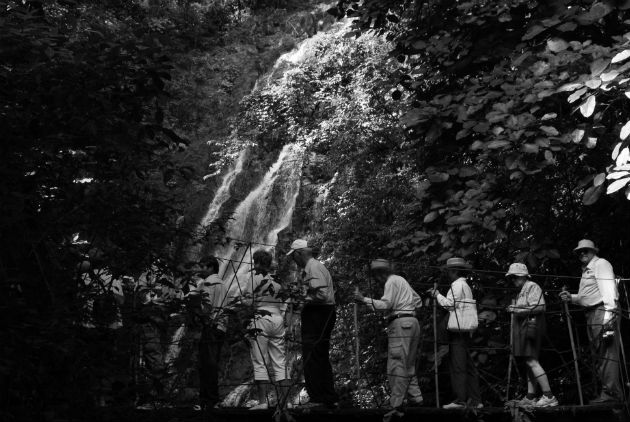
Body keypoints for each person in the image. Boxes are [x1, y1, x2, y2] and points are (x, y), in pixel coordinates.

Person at [354, 259, 424, 412]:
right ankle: (416, 398)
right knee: (408, 363)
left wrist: (363, 299)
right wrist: (408, 308)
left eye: (376, 276)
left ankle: (396, 404)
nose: (377, 280)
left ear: (381, 274)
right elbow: (418, 301)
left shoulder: (391, 282)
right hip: (413, 323)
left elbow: (386, 305)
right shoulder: (401, 280)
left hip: (400, 324)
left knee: (396, 363)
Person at [559, 239, 621, 404]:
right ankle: (609, 394)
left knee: (607, 353)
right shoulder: (587, 270)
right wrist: (571, 298)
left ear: (594, 251)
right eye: (579, 251)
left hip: (603, 311)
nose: (582, 253)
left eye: (586, 250)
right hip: (593, 313)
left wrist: (609, 316)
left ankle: (612, 396)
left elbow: (609, 291)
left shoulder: (601, 264)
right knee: (600, 354)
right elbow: (589, 297)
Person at [287, 239, 338, 408]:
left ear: (299, 253)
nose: (293, 260)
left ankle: (317, 398)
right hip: (324, 313)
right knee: (320, 355)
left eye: (293, 256)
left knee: (312, 355)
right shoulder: (316, 266)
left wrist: (301, 298)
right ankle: (327, 396)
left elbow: (321, 295)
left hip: (318, 313)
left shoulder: (312, 267)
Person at [427, 257, 482, 409]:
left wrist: (437, 294)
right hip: (465, 329)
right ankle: (476, 401)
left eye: (449, 271)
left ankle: (460, 400)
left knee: (458, 365)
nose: (448, 274)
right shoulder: (466, 286)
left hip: (457, 329)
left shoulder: (457, 285)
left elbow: (450, 305)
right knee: (469, 366)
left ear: (455, 271)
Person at [241, 250, 291, 410]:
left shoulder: (255, 278)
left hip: (261, 317)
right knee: (280, 361)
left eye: (255, 262)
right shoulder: (277, 281)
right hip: (277, 319)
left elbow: (249, 302)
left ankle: (263, 402)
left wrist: (241, 301)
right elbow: (286, 303)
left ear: (257, 262)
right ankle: (286, 402)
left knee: (260, 361)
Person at [505, 263, 558, 407]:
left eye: (515, 277)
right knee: (529, 362)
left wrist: (517, 309)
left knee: (531, 361)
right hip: (525, 328)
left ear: (522, 276)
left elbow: (540, 306)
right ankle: (530, 396)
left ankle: (549, 396)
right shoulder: (523, 289)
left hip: (532, 328)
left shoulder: (532, 286)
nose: (513, 280)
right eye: (511, 278)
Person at [188, 256, 228, 410]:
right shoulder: (222, 283)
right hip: (221, 326)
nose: (200, 269)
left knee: (207, 364)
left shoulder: (208, 283)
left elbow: (207, 306)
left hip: (211, 325)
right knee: (212, 363)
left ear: (211, 267)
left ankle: (208, 400)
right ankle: (210, 399)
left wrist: (197, 317)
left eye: (203, 266)